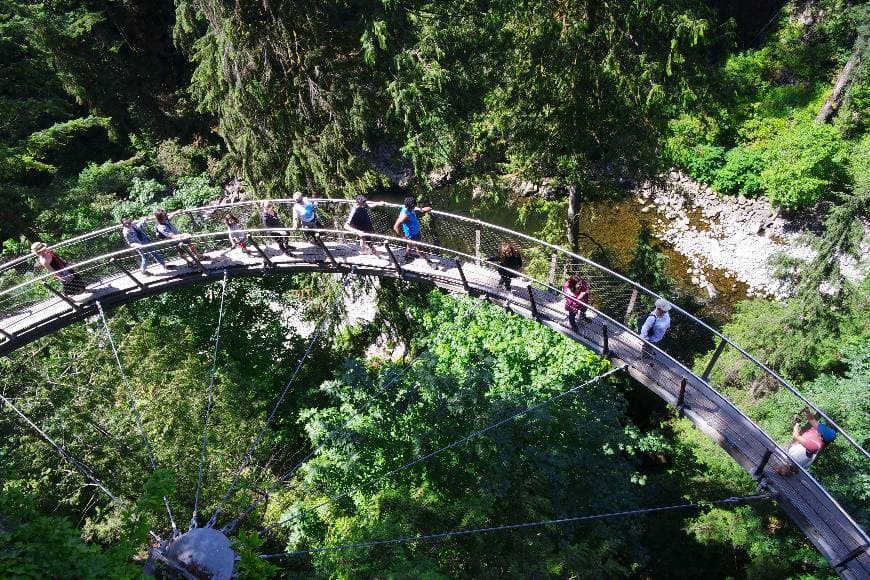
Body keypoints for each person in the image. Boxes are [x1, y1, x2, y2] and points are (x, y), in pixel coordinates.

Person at [776, 407, 837, 476]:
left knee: (779, 465)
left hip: (789, 463)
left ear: (821, 436)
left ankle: (781, 472)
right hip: (790, 456)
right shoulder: (822, 438)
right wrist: (807, 412)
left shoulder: (814, 445)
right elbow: (813, 421)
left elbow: (796, 435)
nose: (817, 429)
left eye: (819, 430)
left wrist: (796, 424)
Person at [393, 196, 431, 262]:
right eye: (415, 204)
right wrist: (403, 237)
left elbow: (415, 210)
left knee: (409, 246)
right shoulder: (405, 215)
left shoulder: (407, 207)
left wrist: (422, 210)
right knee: (420, 249)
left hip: (412, 233)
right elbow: (396, 226)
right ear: (412, 205)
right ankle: (428, 261)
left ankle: (407, 257)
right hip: (412, 235)